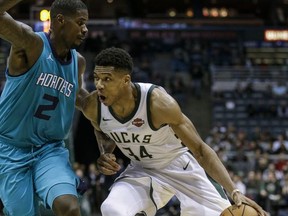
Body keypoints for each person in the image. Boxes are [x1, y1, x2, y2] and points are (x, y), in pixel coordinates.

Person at [76, 47, 268, 216]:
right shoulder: (94, 106)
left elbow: (200, 150)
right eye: (96, 78)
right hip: (142, 170)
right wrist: (105, 152)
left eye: (107, 79)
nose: (99, 84)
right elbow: (103, 130)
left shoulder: (157, 103)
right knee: (112, 209)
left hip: (179, 166)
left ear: (126, 80)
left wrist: (234, 191)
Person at [0, 0, 88, 215]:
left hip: (50, 149)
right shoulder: (30, 43)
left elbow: (82, 100)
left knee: (69, 208)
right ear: (59, 20)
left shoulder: (79, 62)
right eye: (80, 22)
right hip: (11, 148)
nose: (85, 29)